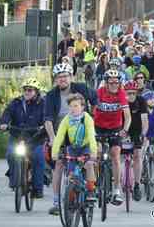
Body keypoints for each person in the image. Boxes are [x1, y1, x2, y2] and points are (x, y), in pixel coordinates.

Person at [46, 63, 97, 215]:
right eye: (59, 77)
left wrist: (93, 117)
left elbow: (96, 100)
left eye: (65, 76)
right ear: (55, 79)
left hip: (83, 130)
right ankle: (56, 202)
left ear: (71, 77)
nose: (62, 79)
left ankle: (90, 191)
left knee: (89, 162)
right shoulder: (51, 95)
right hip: (61, 132)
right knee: (59, 165)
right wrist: (53, 138)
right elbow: (48, 120)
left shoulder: (81, 88)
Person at [0, 78, 46, 198]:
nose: (27, 92)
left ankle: (38, 188)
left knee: (38, 157)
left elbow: (47, 116)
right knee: (10, 154)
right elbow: (7, 113)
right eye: (25, 90)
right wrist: (4, 123)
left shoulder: (42, 104)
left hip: (35, 137)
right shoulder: (16, 102)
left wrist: (44, 126)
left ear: (36, 92)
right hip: (17, 135)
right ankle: (15, 180)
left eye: (30, 90)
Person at [93, 69, 132, 205]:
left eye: (117, 82)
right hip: (98, 127)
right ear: (106, 83)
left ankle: (116, 190)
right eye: (111, 83)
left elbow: (127, 116)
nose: (114, 85)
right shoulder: (99, 93)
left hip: (115, 128)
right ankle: (95, 184)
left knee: (115, 155)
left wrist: (125, 130)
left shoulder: (121, 94)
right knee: (96, 153)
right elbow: (91, 110)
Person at [51, 93, 97, 201]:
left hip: (85, 147)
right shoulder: (67, 119)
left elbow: (91, 135)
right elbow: (59, 136)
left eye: (76, 106)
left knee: (89, 165)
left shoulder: (87, 118)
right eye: (71, 106)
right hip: (73, 148)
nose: (73, 108)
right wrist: (54, 153)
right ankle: (70, 201)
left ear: (82, 107)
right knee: (71, 174)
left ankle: (91, 191)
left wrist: (93, 153)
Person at [123, 81, 149, 201]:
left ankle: (137, 184)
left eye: (133, 93)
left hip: (137, 130)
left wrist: (143, 134)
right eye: (128, 93)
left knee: (137, 155)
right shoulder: (121, 101)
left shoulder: (141, 101)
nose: (131, 96)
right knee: (117, 153)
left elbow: (145, 120)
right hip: (124, 129)